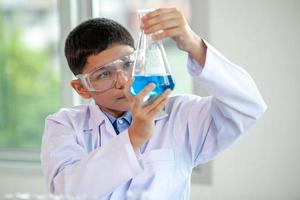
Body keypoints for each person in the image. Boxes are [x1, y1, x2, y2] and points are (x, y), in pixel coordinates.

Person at [41, 7, 266, 200]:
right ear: (81, 88)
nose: (122, 81)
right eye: (103, 74)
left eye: (128, 64)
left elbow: (248, 105)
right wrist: (135, 136)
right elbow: (65, 192)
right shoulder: (64, 125)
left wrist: (194, 45)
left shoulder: (180, 115)